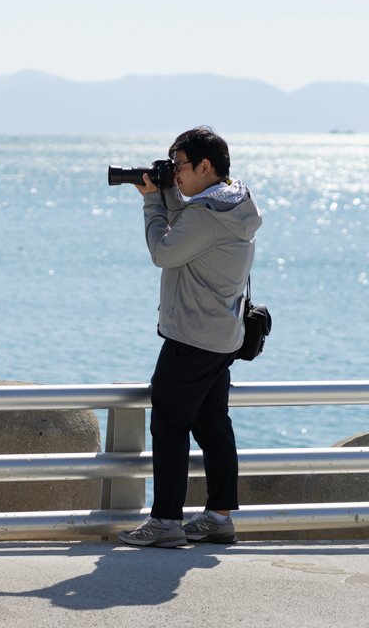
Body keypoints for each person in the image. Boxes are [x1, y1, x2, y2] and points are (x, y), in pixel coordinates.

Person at [118, 126, 262, 548]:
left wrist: (150, 202)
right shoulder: (233, 203)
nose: (175, 174)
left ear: (206, 166)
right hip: (222, 336)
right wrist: (167, 195)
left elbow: (164, 251)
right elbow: (188, 226)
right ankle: (219, 516)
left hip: (192, 338)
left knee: (168, 423)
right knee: (212, 423)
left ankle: (165, 521)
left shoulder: (204, 214)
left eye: (180, 166)